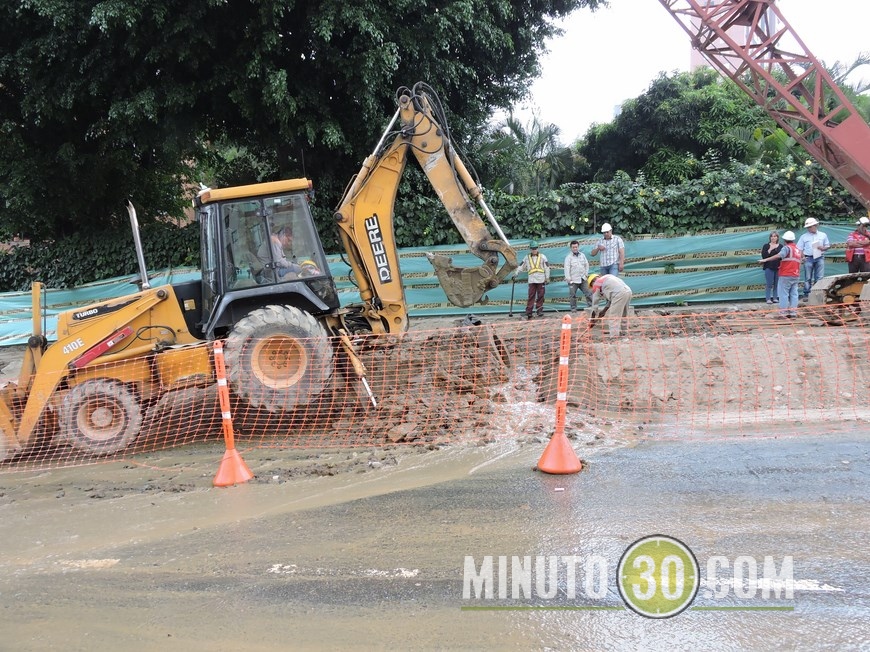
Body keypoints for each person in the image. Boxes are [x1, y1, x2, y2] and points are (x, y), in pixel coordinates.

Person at [759, 230, 801, 318]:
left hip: (786, 274)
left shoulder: (786, 248)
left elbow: (779, 255)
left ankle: (783, 313)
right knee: (794, 294)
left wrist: (765, 260)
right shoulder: (797, 249)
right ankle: (793, 313)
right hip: (796, 274)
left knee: (783, 294)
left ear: (784, 239)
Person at [588, 273, 633, 337]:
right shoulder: (607, 277)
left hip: (619, 294)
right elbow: (611, 299)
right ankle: (624, 333)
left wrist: (592, 320)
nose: (593, 287)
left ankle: (614, 336)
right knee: (624, 315)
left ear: (592, 282)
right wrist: (603, 311)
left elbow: (594, 305)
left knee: (613, 317)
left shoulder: (596, 284)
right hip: (628, 291)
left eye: (591, 286)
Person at [795, 217, 830, 299]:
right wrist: (803, 257)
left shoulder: (823, 235)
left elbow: (827, 246)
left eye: (810, 226)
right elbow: (799, 248)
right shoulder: (804, 237)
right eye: (808, 227)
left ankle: (818, 294)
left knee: (820, 277)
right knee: (808, 278)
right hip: (808, 258)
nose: (809, 228)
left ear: (815, 225)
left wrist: (823, 248)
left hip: (820, 257)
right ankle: (807, 294)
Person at [517, 240, 550, 319]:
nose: (534, 250)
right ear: (530, 249)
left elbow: (547, 267)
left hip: (541, 279)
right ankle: (529, 312)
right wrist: (516, 273)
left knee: (541, 296)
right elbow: (521, 266)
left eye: (535, 248)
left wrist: (547, 277)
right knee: (531, 296)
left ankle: (539, 311)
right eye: (532, 248)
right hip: (532, 280)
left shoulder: (543, 257)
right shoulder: (527, 257)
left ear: (538, 248)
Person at [563, 240, 593, 311]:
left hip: (583, 278)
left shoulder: (582, 255)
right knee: (572, 295)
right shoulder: (568, 257)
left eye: (576, 247)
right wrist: (568, 278)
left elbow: (586, 265)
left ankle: (591, 306)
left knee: (588, 293)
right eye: (573, 247)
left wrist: (586, 274)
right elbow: (566, 268)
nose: (575, 248)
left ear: (578, 247)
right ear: (571, 248)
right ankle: (573, 309)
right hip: (573, 280)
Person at [760, 231, 782, 304]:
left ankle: (775, 298)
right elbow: (764, 257)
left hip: (778, 267)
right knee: (769, 283)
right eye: (772, 236)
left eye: (775, 236)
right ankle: (768, 298)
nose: (773, 238)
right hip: (769, 267)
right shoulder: (766, 246)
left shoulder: (781, 246)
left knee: (776, 283)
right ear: (770, 237)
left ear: (777, 238)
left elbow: (782, 257)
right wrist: (770, 249)